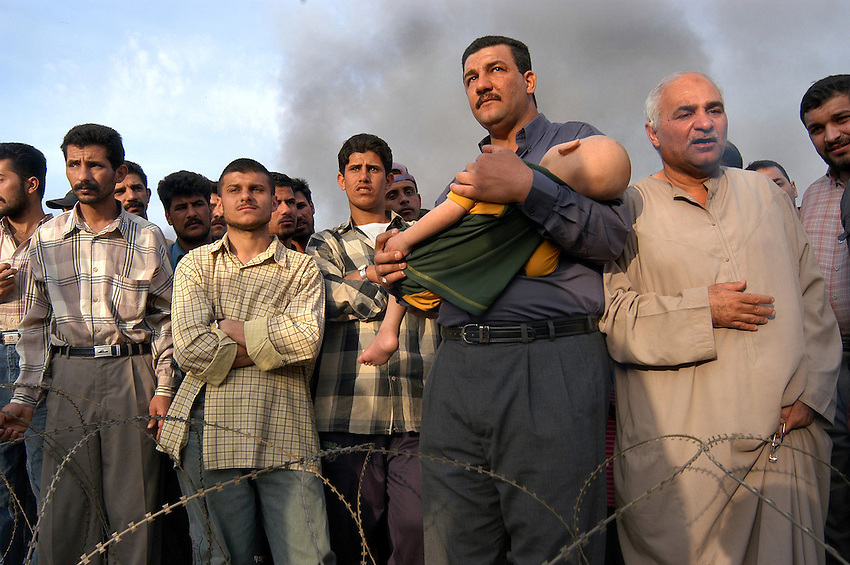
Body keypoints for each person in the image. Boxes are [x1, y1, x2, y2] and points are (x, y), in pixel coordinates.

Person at [374, 36, 630, 564]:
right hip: (458, 365)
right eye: (471, 78)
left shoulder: (577, 145)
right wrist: (397, 272)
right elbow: (436, 281)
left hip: (549, 360)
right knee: (454, 541)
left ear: (529, 81)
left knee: (555, 541)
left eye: (495, 70)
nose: (482, 84)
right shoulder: (465, 178)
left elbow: (612, 240)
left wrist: (530, 189)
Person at [599, 72, 840, 564]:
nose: (704, 123)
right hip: (688, 462)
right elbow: (614, 318)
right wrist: (700, 308)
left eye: (714, 109)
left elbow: (813, 297)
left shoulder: (766, 196)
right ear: (652, 132)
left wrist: (813, 395)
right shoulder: (628, 208)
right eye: (684, 113)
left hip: (785, 443)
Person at [0, 123, 176, 565]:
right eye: (74, 164)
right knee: (65, 509)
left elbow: (167, 319)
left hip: (131, 371)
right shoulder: (48, 237)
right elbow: (36, 324)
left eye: (94, 164)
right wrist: (25, 397)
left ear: (116, 173)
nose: (83, 175)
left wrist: (164, 387)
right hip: (67, 375)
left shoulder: (146, 237)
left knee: (132, 506)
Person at [158, 158, 333, 565]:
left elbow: (307, 340)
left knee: (309, 554)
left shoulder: (301, 267)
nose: (246, 196)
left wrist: (232, 328)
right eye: (235, 189)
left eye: (256, 189)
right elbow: (190, 348)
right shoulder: (196, 265)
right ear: (218, 202)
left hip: (286, 425)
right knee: (220, 556)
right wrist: (271, 340)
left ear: (274, 201)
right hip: (209, 424)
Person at [360, 135, 630, 365]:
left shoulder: (499, 175)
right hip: (451, 294)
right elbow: (539, 268)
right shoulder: (547, 229)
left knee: (408, 258)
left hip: (421, 278)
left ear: (568, 146)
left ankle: (386, 329)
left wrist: (406, 239)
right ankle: (382, 312)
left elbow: (450, 210)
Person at [306, 133, 439, 565]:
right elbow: (320, 300)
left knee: (416, 534)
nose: (365, 176)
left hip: (418, 409)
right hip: (348, 411)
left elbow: (437, 295)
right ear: (341, 180)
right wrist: (393, 279)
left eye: (374, 168)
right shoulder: (321, 245)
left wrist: (357, 280)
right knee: (353, 537)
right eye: (356, 169)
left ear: (389, 177)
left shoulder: (424, 235)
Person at [799, 73, 850, 565]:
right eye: (817, 128)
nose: (831, 135)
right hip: (834, 358)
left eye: (842, 119)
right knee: (836, 473)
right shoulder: (813, 197)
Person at [0, 142, 51, 564]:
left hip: (45, 360)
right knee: (3, 485)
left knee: (45, 475)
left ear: (31, 184)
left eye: (1, 179)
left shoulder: (62, 237)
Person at [157, 170, 214, 269]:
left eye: (198, 205)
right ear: (168, 217)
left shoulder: (235, 255)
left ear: (210, 209)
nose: (191, 214)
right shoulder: (161, 265)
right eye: (181, 208)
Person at [269, 172, 299, 248]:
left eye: (290, 202)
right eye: (276, 203)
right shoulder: (241, 259)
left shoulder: (309, 259)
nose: (286, 210)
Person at [291, 177, 315, 252]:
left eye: (301, 206)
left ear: (312, 207)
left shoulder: (336, 247)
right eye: (291, 210)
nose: (298, 216)